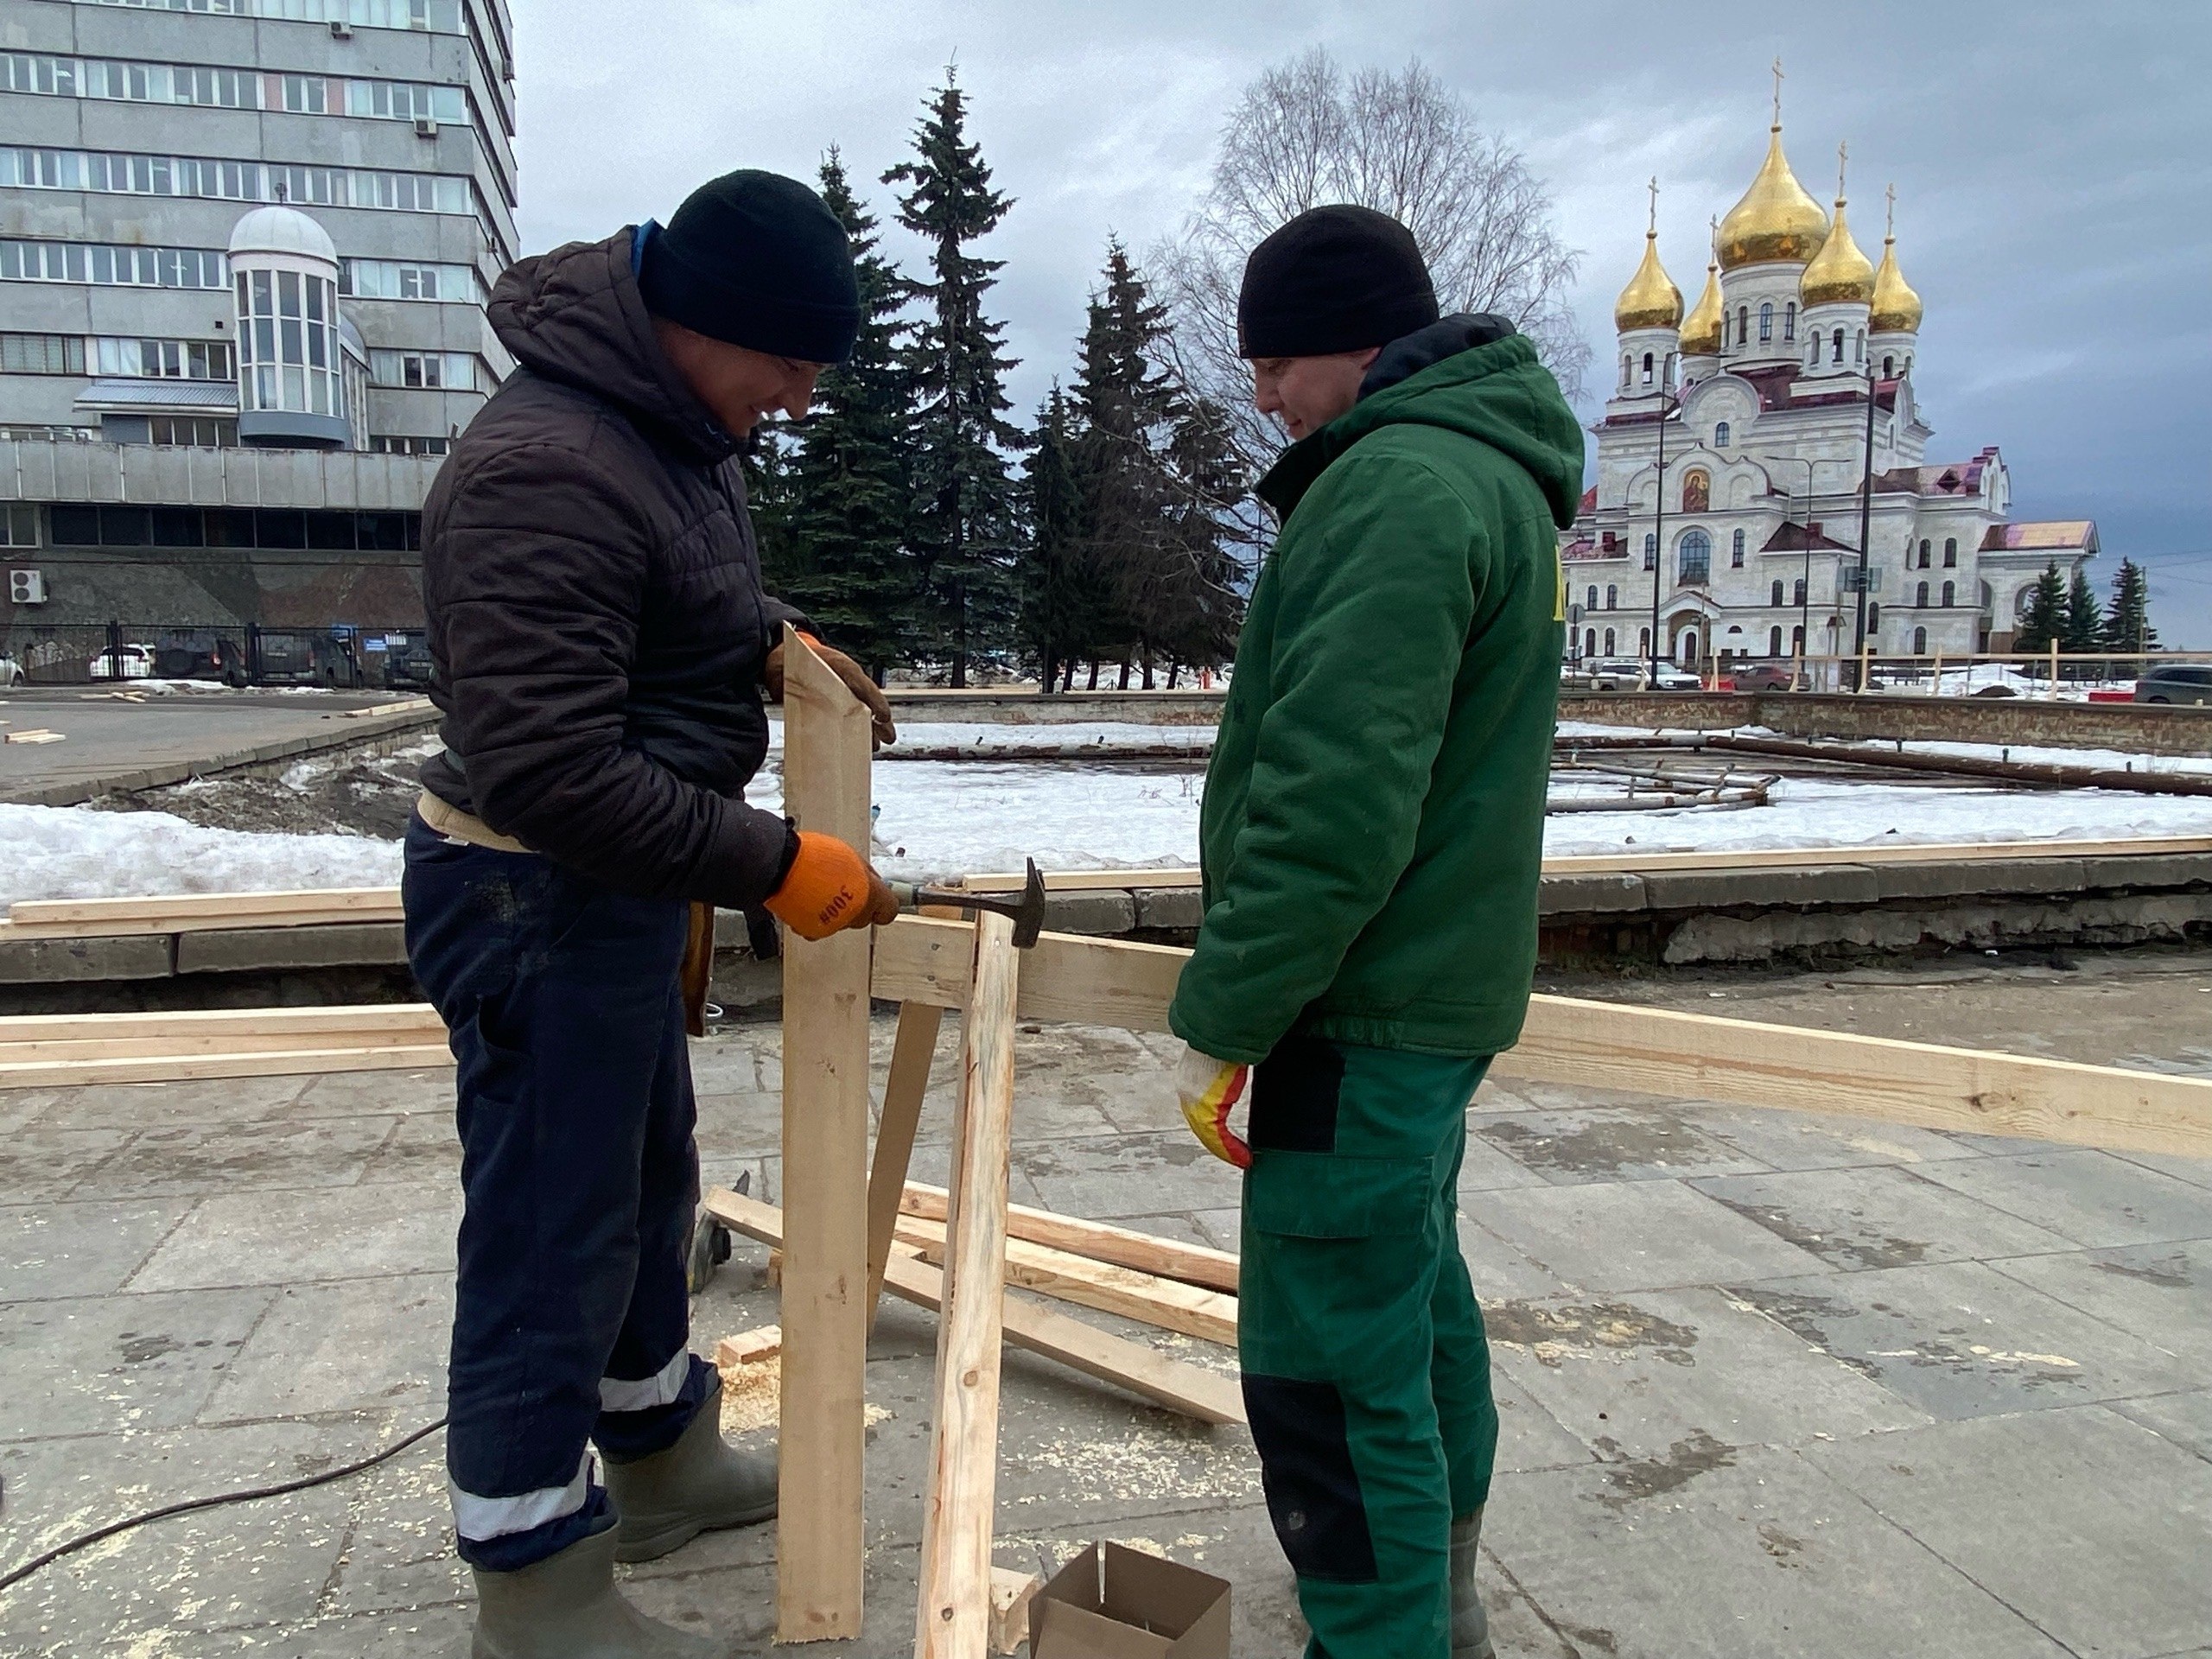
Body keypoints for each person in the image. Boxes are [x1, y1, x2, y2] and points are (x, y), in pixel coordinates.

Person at [404, 169, 903, 1658]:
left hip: (608, 894)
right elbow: (551, 768)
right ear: (705, 323)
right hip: (532, 889)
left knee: (641, 1194)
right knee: (548, 1237)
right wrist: (775, 863)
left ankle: (660, 1457)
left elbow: (676, 591)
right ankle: (534, 1584)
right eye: (791, 363)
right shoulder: (545, 470)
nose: (802, 399)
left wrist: (771, 633)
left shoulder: (673, 427)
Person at [1166, 205, 1583, 1659]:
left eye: (1275, 364)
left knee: (1333, 1376)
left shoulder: (1396, 484)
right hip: (1428, 1000)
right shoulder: (1486, 475)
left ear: (1355, 345)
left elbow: (1334, 807)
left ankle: (1386, 1634)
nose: (1264, 398)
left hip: (1357, 1008)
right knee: (1414, 1308)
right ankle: (1441, 1609)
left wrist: (1227, 1017)